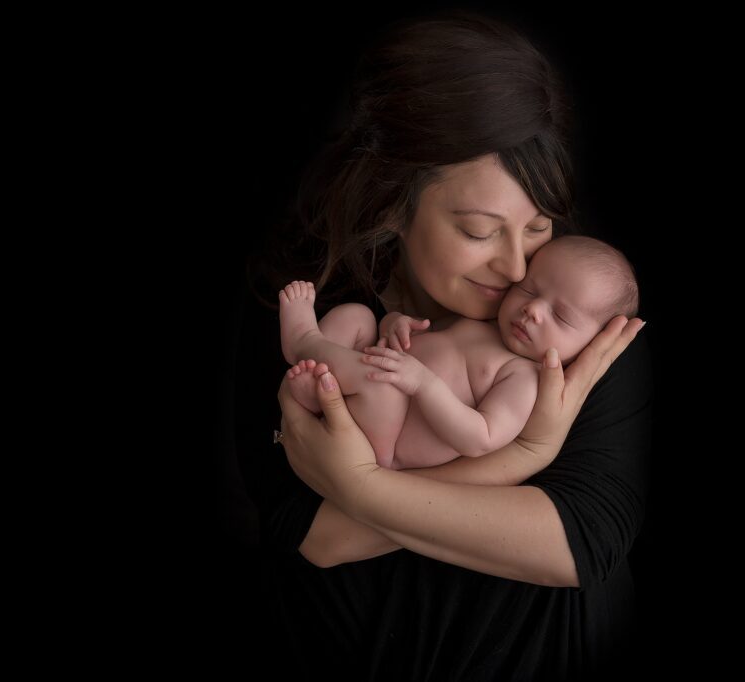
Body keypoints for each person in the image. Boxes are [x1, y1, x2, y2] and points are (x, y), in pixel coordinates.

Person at [233, 10, 652, 680]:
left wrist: (362, 488)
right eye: (481, 230)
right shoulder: (304, 293)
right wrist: (525, 456)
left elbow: (577, 544)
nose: (518, 270)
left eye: (539, 225)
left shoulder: (578, 310)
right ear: (394, 203)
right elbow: (315, 536)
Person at [278, 235, 640, 470]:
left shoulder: (525, 378)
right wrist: (394, 326)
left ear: (591, 346)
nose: (533, 310)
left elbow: (481, 438)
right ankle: (320, 389)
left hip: (383, 444)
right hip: (373, 388)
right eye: (529, 290)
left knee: (385, 383)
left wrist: (423, 384)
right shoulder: (480, 321)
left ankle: (303, 341)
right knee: (358, 318)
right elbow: (416, 338)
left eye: (560, 316)